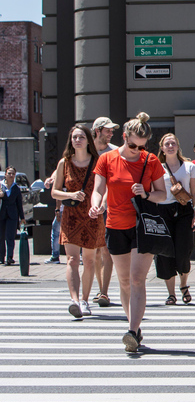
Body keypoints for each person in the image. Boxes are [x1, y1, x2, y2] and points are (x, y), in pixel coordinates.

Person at [90, 113, 167, 352]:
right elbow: (98, 189)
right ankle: (133, 325)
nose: (136, 150)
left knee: (136, 279)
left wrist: (144, 193)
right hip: (114, 224)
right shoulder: (107, 159)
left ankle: (132, 330)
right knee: (123, 282)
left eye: (141, 147)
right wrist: (97, 204)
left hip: (141, 226)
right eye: (132, 145)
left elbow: (162, 194)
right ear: (124, 137)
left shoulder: (150, 160)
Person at [51, 125, 106, 317]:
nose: (77, 140)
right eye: (74, 137)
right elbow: (54, 191)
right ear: (70, 140)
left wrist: (101, 205)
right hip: (72, 216)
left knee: (89, 261)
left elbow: (105, 188)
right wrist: (71, 194)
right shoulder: (64, 163)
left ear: (88, 140)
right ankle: (74, 300)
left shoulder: (98, 161)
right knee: (73, 260)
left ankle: (84, 300)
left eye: (81, 137)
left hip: (92, 215)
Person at [156, 133, 195, 306]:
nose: (170, 146)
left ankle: (183, 285)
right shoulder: (157, 167)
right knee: (165, 252)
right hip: (163, 210)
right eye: (167, 144)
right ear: (162, 148)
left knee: (184, 250)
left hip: (184, 211)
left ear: (178, 146)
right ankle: (171, 293)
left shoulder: (189, 167)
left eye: (173, 143)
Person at [91, 116, 119, 307]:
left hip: (109, 206)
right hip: (88, 206)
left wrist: (104, 202)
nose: (110, 133)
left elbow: (112, 182)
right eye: (107, 130)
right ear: (97, 131)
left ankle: (104, 292)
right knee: (94, 251)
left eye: (112, 131)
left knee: (106, 249)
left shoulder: (115, 151)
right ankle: (99, 287)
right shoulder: (86, 150)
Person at [0, 166, 25, 266]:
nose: (11, 175)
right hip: (1, 214)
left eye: (13, 174)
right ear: (5, 174)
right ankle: (1, 257)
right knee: (1, 236)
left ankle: (10, 257)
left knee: (10, 236)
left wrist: (22, 217)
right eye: (9, 173)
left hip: (12, 215)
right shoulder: (1, 186)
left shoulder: (16, 188)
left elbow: (19, 204)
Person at [43, 175, 62, 264]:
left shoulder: (61, 178)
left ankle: (55, 256)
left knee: (56, 233)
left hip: (63, 210)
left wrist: (57, 209)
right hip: (73, 209)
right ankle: (80, 255)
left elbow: (58, 195)